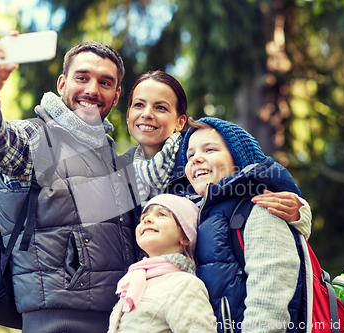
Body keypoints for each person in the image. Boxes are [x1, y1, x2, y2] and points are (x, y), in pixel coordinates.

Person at [0, 33, 139, 333]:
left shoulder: (114, 156)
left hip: (117, 322)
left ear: (115, 94)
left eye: (105, 82)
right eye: (82, 77)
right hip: (56, 324)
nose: (92, 89)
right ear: (62, 84)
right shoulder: (38, 139)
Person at [126, 70, 311, 237]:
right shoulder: (117, 174)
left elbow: (261, 177)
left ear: (180, 122)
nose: (147, 114)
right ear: (128, 115)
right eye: (139, 105)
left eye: (161, 107)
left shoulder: (201, 159)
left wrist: (300, 213)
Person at [182, 117, 305, 332]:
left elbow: (269, 301)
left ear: (239, 159)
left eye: (209, 150)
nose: (196, 159)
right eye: (190, 155)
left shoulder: (259, 209)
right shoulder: (194, 217)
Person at [107, 194, 217, 332]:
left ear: (185, 237)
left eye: (161, 214)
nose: (147, 219)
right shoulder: (134, 280)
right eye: (143, 218)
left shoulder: (184, 285)